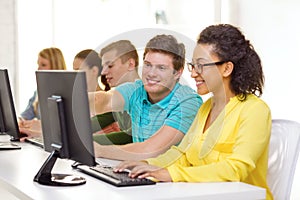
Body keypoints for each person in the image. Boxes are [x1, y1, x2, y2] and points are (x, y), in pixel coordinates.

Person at [114, 24, 273, 200]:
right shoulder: (205, 108)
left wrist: (171, 174)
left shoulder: (254, 110)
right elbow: (182, 154)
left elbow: (236, 169)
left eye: (201, 66)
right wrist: (147, 164)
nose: (194, 74)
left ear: (227, 69)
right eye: (193, 66)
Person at [90, 34, 203, 161]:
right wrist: (71, 97)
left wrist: (99, 150)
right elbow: (104, 101)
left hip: (173, 178)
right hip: (142, 171)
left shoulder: (188, 102)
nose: (151, 73)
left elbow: (151, 150)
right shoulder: (136, 90)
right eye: (148, 65)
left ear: (178, 72)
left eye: (161, 67)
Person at [92, 40, 141, 145]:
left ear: (131, 64)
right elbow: (103, 118)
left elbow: (131, 136)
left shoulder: (145, 95)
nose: (103, 72)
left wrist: (87, 141)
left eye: (110, 66)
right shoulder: (118, 95)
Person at [18, 47, 66, 138]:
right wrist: (22, 122)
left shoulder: (65, 93)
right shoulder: (39, 92)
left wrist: (39, 124)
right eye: (38, 64)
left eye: (43, 65)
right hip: (42, 139)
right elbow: (25, 116)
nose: (38, 69)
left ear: (55, 67)